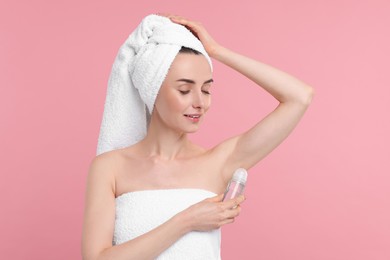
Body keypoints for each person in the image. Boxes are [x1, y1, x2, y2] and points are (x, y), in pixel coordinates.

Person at [82, 13, 314, 260]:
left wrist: (216, 51)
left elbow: (299, 97)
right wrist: (187, 220)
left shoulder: (219, 162)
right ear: (152, 89)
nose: (200, 102)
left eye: (206, 89)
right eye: (184, 90)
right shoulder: (110, 168)